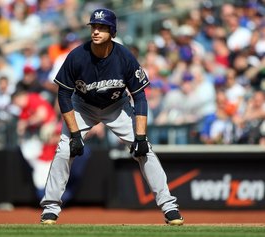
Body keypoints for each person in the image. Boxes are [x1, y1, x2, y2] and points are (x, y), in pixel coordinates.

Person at [39, 8, 184, 226]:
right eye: (94, 27)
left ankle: (169, 207)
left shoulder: (124, 57)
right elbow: (64, 95)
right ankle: (51, 208)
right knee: (64, 149)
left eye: (102, 27)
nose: (96, 31)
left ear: (112, 31)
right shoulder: (78, 56)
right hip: (82, 106)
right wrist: (75, 134)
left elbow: (140, 97)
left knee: (145, 151)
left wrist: (141, 137)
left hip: (117, 107)